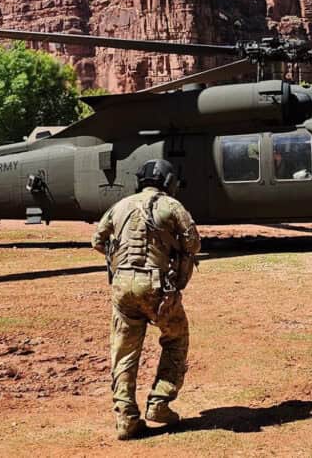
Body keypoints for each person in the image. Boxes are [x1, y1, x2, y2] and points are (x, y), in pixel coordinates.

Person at [92, 159, 201, 440]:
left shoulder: (120, 206)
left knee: (124, 352)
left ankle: (126, 418)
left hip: (122, 286)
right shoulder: (172, 207)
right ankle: (160, 402)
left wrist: (120, 259)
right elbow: (193, 244)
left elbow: (97, 240)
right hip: (157, 287)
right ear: (168, 182)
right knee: (176, 338)